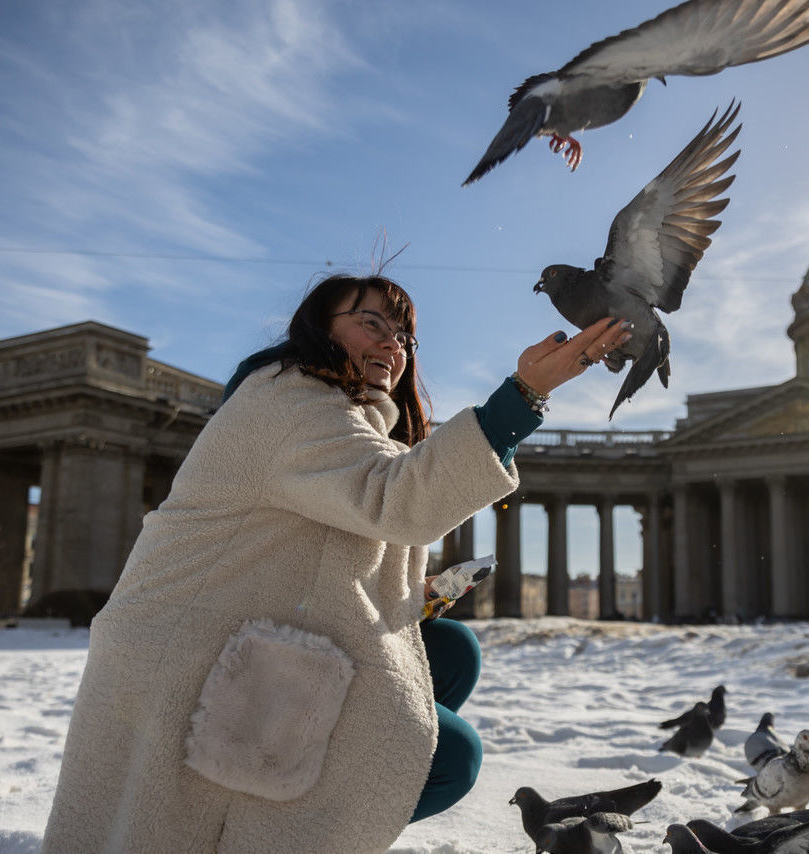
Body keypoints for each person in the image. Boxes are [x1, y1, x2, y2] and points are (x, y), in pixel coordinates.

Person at [41, 273, 633, 853]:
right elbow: (395, 501)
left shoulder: (339, 417)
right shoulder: (287, 398)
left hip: (247, 631)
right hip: (188, 663)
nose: (392, 343)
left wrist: (410, 591)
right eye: (371, 322)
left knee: (450, 652)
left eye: (404, 336)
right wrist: (522, 396)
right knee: (447, 754)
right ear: (316, 330)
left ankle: (296, 812)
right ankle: (269, 830)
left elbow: (323, 547)